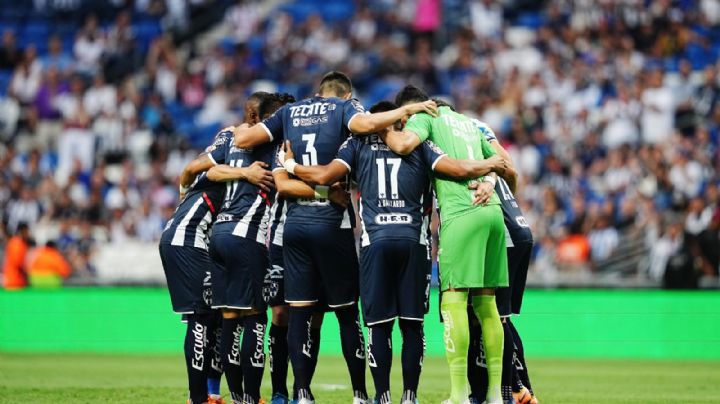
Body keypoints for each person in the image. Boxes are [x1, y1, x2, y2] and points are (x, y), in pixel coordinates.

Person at [278, 100, 509, 404]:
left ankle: (382, 396)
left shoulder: (356, 143)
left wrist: (290, 165)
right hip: (413, 242)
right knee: (412, 325)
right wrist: (490, 172)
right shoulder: (420, 145)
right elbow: (458, 168)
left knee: (379, 326)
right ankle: (410, 396)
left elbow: (323, 177)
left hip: (376, 243)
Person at [232, 71, 437, 404]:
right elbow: (363, 127)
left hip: (294, 226)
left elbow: (246, 142)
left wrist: (241, 135)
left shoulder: (289, 113)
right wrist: (405, 111)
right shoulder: (345, 110)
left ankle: (302, 393)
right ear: (347, 96)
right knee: (346, 312)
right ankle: (361, 393)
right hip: (333, 224)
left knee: (299, 312)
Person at [383, 85, 509, 404]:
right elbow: (505, 163)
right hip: (493, 213)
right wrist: (490, 180)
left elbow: (403, 145)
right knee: (487, 305)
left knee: (453, 303)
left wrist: (383, 127)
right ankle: (495, 395)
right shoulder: (470, 123)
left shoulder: (425, 117)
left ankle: (459, 395)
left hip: (461, 214)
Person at [162, 92, 272, 404]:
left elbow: (192, 171)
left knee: (216, 316)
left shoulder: (231, 150)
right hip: (187, 238)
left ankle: (211, 392)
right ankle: (199, 397)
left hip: (195, 237)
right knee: (202, 318)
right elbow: (194, 169)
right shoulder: (233, 142)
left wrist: (184, 191)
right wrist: (185, 193)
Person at [466, 119, 539, 404]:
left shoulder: (462, 152)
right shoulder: (482, 134)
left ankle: (510, 391)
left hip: (504, 234)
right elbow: (512, 170)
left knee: (487, 316)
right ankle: (523, 389)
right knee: (500, 317)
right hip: (520, 229)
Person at [2, 223, 31, 289]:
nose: (28, 234)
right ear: (23, 231)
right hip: (15, 281)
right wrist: (26, 277)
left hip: (13, 280)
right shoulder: (17, 244)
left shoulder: (15, 242)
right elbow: (18, 263)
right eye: (27, 231)